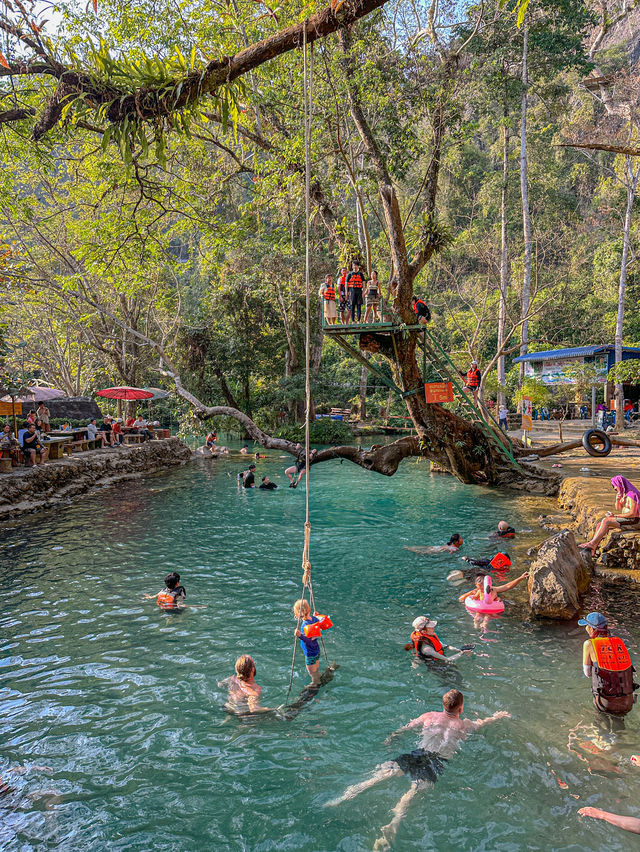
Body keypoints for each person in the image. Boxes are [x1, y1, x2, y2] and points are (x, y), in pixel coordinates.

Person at [324, 689, 510, 851]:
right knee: (412, 793)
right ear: (461, 709)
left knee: (381, 775)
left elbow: (406, 728)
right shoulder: (464, 725)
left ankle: (344, 797)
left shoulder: (429, 716)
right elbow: (483, 722)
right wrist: (498, 716)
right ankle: (392, 825)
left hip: (417, 753)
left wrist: (393, 736)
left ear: (442, 705)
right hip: (436, 762)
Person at [580, 611, 637, 717]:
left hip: (605, 703)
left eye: (586, 626)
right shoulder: (619, 641)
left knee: (602, 726)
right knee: (619, 726)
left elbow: (587, 673)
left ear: (592, 629)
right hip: (627, 701)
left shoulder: (589, 644)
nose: (585, 629)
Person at [579, 476, 640, 553]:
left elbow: (633, 513)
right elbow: (618, 508)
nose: (614, 488)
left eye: (615, 485)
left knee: (606, 521)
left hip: (634, 521)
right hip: (628, 519)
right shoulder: (624, 494)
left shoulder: (632, 495)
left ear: (620, 484)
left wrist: (615, 516)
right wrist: (617, 500)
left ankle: (592, 544)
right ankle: (593, 548)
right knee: (599, 524)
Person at [405, 616, 473, 663]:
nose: (433, 628)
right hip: (435, 665)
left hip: (440, 658)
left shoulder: (429, 635)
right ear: (424, 631)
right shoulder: (427, 649)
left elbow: (445, 646)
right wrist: (462, 653)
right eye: (430, 627)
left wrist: (459, 650)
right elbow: (448, 659)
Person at [293, 599, 322, 686]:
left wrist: (300, 636)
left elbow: (309, 641)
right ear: (309, 610)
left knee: (313, 674)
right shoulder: (315, 619)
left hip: (310, 654)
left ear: (297, 614)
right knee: (316, 671)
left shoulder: (305, 626)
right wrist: (315, 616)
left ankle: (315, 684)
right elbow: (316, 632)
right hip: (317, 651)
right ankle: (318, 679)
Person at [458, 571, 528, 605]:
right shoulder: (475, 591)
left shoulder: (492, 589)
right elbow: (461, 598)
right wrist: (468, 597)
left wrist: (521, 578)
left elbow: (507, 586)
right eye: (480, 588)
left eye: (484, 587)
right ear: (476, 585)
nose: (482, 589)